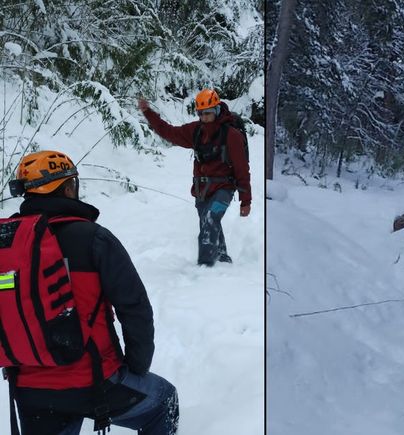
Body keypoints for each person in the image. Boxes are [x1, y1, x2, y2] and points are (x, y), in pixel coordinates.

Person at [3, 151, 178, 434]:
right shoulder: (95, 239)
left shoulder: (6, 246)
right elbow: (135, 309)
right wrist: (136, 366)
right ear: (70, 187)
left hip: (28, 388)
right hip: (96, 381)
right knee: (163, 400)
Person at [138, 89, 251, 267]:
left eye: (208, 113)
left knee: (210, 219)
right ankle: (222, 259)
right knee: (210, 222)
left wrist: (246, 201)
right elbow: (168, 132)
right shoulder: (196, 131)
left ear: (217, 110)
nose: (205, 117)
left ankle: (205, 267)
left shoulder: (232, 135)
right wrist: (148, 113)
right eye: (201, 114)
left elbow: (242, 169)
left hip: (224, 188)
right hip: (202, 190)